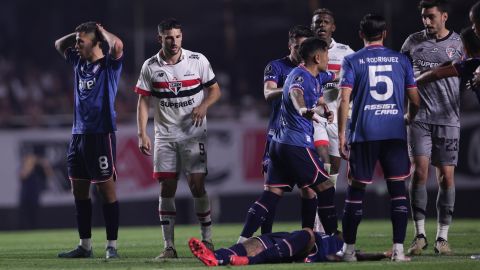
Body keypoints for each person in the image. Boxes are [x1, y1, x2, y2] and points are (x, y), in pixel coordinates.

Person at [135, 18, 221, 258]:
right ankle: (169, 247)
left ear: (182, 37)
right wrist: (142, 133)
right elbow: (143, 101)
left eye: (178, 37)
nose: (174, 42)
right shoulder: (150, 66)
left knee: (197, 185)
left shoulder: (197, 60)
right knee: (166, 188)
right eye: (169, 37)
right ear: (160, 38)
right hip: (164, 136)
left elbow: (215, 90)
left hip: (193, 135)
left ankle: (208, 240)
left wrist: (204, 106)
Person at [237, 37, 337, 244]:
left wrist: (324, 108)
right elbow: (295, 92)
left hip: (279, 143)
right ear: (317, 57)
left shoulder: (315, 75)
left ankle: (242, 241)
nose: (329, 58)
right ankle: (331, 241)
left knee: (271, 193)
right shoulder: (300, 75)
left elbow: (327, 84)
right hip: (296, 143)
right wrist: (302, 108)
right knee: (326, 187)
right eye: (326, 55)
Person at [338, 14, 420, 262]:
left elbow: (344, 100)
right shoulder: (401, 60)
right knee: (398, 191)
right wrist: (407, 117)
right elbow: (415, 100)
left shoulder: (351, 60)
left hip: (363, 133)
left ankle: (349, 251)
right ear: (384, 34)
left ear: (361, 34)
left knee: (356, 191)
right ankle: (398, 250)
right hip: (393, 133)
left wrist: (342, 134)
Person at [54, 21, 123, 259]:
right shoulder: (78, 62)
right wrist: (77, 34)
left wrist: (101, 31)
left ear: (95, 42)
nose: (76, 45)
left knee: (106, 190)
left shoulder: (109, 66)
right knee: (79, 191)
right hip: (78, 135)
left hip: (100, 134)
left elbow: (118, 45)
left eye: (81, 42)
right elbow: (58, 44)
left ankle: (112, 246)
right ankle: (85, 246)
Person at [401, 0, 464, 256]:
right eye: (424, 17)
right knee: (419, 172)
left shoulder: (458, 44)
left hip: (448, 118)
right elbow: (401, 77)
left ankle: (442, 238)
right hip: (419, 118)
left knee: (446, 177)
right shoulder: (411, 43)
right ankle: (419, 235)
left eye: (431, 17)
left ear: (444, 16)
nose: (426, 22)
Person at [259, 25, 318, 236]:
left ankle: (308, 237)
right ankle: (265, 237)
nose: (300, 51)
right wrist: (293, 87)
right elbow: (267, 93)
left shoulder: (312, 70)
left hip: (303, 137)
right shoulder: (276, 67)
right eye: (297, 47)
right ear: (290, 46)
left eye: (304, 47)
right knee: (272, 191)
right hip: (277, 135)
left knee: (309, 189)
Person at [310, 7, 355, 233]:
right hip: (315, 117)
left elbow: (358, 79)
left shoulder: (346, 53)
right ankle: (315, 225)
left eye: (325, 22)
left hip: (339, 118)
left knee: (333, 169)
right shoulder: (306, 51)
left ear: (333, 27)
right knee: (322, 162)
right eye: (317, 22)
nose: (321, 26)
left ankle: (321, 223)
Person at [189, 228, 389, 266]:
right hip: (285, 240)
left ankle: (248, 262)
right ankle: (216, 257)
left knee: (307, 233)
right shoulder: (331, 234)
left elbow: (360, 256)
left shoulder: (342, 247)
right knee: (254, 243)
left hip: (305, 247)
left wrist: (381, 254)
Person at [415, 27, 480, 103]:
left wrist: (411, 83)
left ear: (468, 46)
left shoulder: (472, 63)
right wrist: (419, 74)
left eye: (461, 44)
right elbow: (447, 65)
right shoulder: (470, 62)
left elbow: (436, 74)